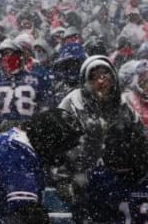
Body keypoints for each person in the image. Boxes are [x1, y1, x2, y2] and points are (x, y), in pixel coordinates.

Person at [57, 55, 146, 221]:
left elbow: (140, 143)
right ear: (85, 81)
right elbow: (56, 145)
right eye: (94, 77)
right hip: (83, 184)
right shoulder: (72, 103)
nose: (101, 82)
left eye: (105, 76)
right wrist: (63, 179)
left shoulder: (123, 106)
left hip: (118, 185)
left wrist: (138, 168)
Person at [0, 108, 84, 223]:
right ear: (50, 140)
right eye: (63, 148)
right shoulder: (18, 152)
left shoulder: (14, 139)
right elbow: (26, 215)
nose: (62, 156)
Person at [0, 39, 52, 132]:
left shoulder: (36, 79)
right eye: (3, 54)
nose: (6, 57)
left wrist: (36, 122)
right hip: (1, 133)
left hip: (30, 132)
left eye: (9, 53)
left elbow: (47, 103)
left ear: (19, 56)